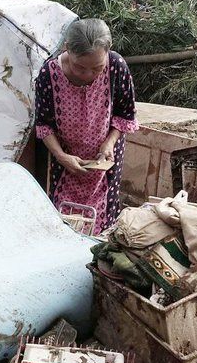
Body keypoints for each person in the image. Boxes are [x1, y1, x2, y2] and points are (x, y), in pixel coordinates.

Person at [33, 18, 137, 234]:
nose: (88, 75)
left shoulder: (117, 67)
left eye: (97, 68)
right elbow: (44, 125)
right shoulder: (48, 75)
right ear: (67, 49)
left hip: (105, 157)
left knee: (103, 215)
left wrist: (109, 144)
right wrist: (61, 156)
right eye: (80, 67)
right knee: (61, 218)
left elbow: (124, 114)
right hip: (64, 159)